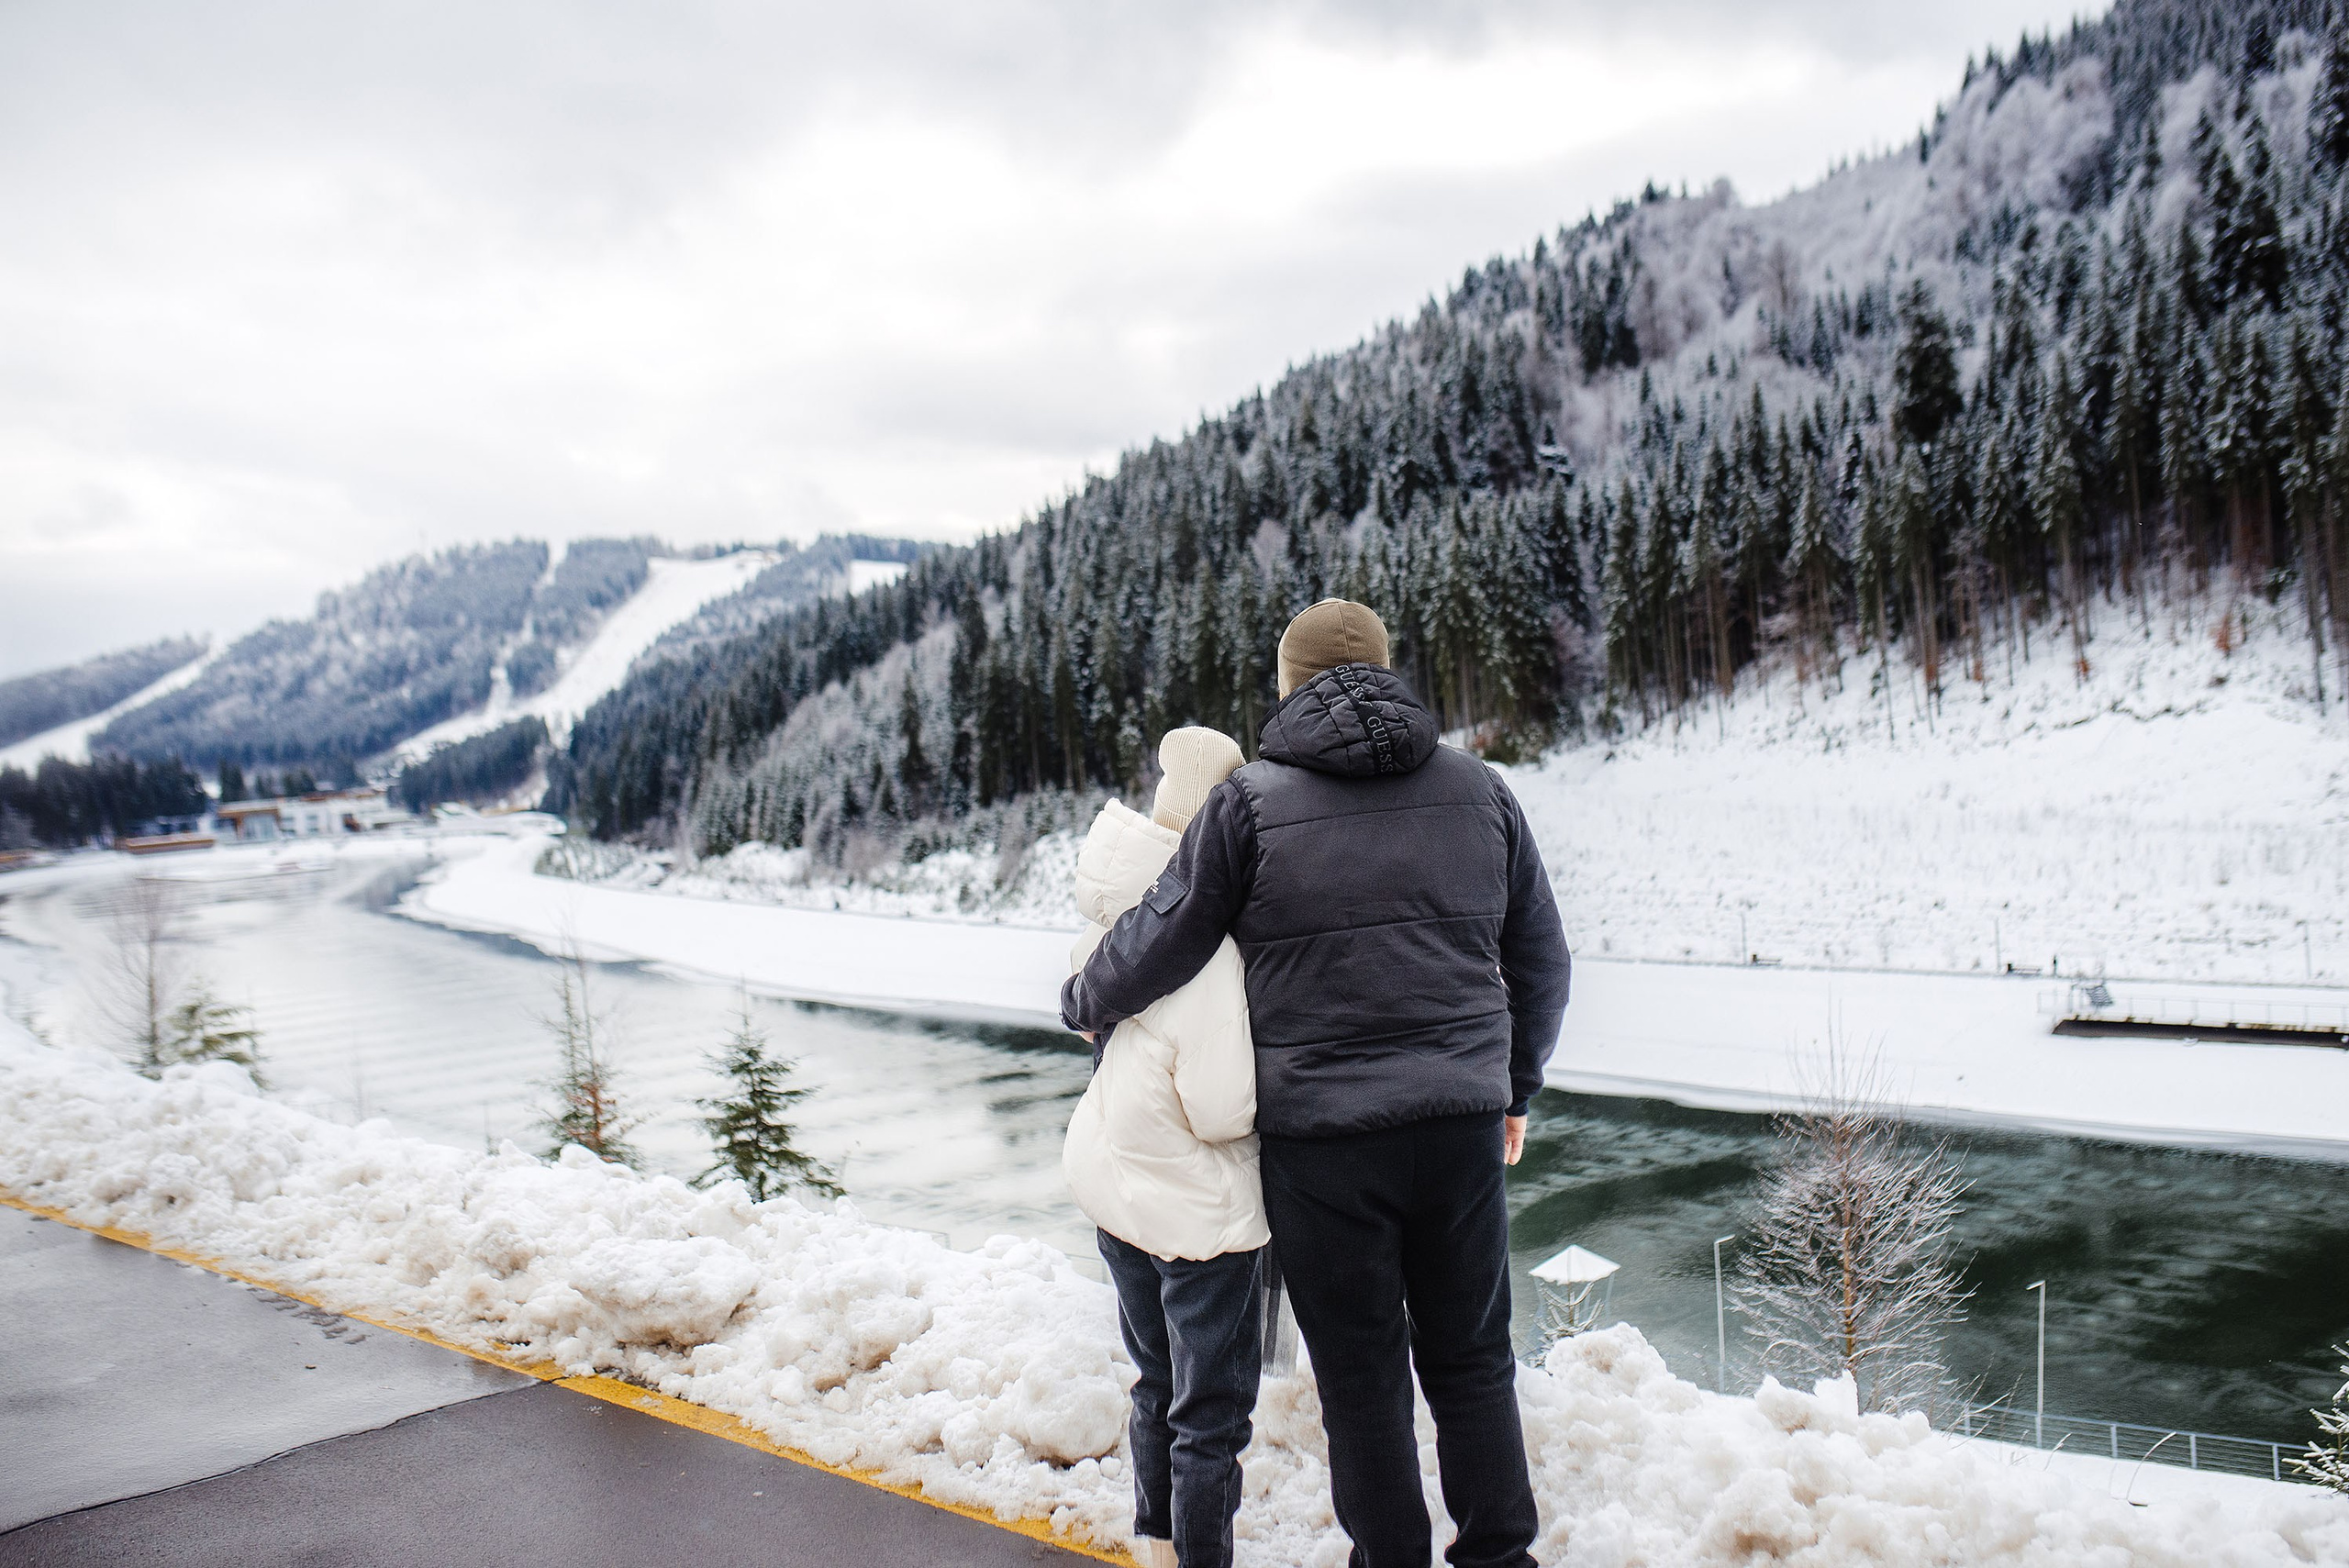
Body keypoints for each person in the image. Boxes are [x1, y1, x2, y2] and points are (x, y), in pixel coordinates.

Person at [1061, 600, 1571, 1568]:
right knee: (1471, 1358)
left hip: (1323, 1142)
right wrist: (1512, 1087)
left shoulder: (1249, 803)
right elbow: (1539, 958)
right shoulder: (1482, 791)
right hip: (1458, 1124)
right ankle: (1500, 1555)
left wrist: (1087, 996)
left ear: (1288, 685)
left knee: (1362, 1373)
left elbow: (1165, 933)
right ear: (1389, 672)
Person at [1064, 726, 1267, 1568]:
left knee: (1155, 1379)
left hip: (1116, 1191)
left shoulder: (1114, 913)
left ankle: (1153, 1543)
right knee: (1209, 1412)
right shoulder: (1209, 947)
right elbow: (1221, 1111)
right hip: (1196, 1213)